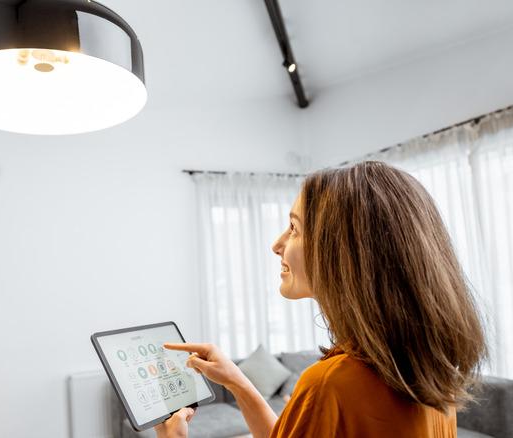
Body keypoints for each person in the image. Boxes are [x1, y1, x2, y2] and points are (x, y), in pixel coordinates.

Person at [155, 161, 487, 438]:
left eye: (294, 229)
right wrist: (239, 384)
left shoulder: (330, 386)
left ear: (343, 252)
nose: (277, 244)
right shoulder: (427, 368)